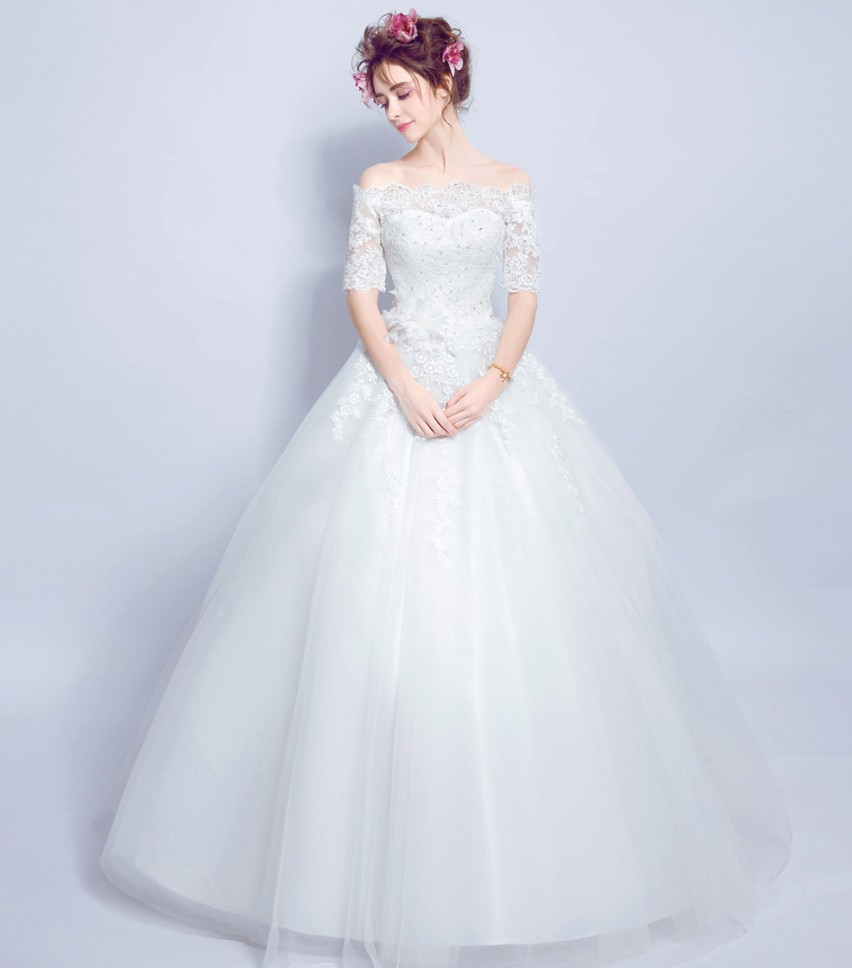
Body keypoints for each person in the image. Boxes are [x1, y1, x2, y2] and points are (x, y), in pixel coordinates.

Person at [99, 9, 792, 968]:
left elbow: (524, 294)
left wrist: (493, 381)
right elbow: (360, 293)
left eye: (404, 93)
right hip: (401, 389)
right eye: (381, 97)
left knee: (530, 616)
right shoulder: (379, 186)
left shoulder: (511, 185)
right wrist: (405, 385)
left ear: (447, 81)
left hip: (488, 392)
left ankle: (533, 879)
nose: (392, 111)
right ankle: (349, 872)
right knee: (360, 612)